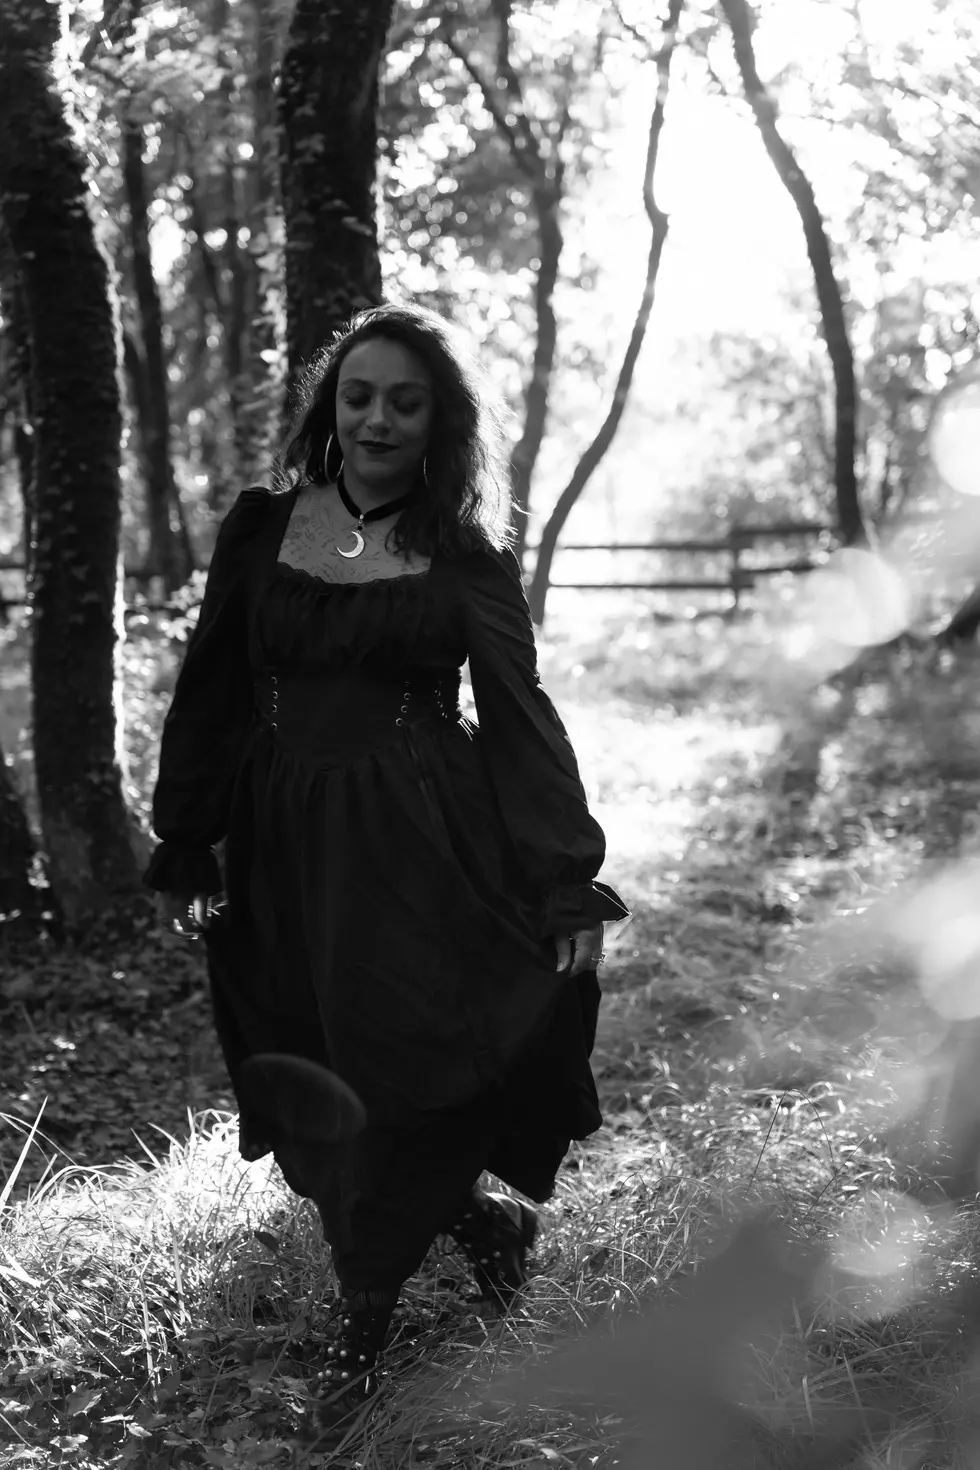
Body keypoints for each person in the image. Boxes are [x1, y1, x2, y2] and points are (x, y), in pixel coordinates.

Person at [145, 303, 628, 1432]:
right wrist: (187, 832)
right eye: (357, 395)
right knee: (306, 1059)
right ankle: (485, 1224)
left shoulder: (461, 556)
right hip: (280, 846)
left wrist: (563, 873)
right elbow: (213, 682)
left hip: (419, 840)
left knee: (401, 1062)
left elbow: (517, 716)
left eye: (402, 402)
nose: (375, 418)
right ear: (330, 405)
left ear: (435, 422)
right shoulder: (262, 528)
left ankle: (361, 1323)